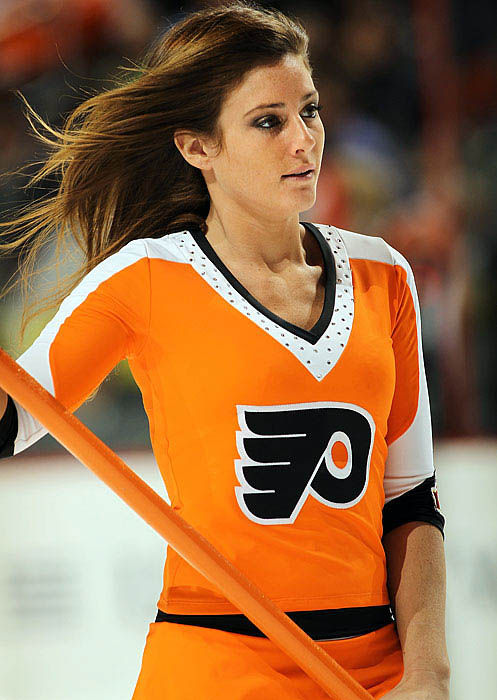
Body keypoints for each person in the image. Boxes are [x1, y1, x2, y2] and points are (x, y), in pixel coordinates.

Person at [0, 2, 450, 698]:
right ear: (196, 148)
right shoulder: (147, 277)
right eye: (268, 121)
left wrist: (427, 675)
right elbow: (13, 418)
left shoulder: (383, 274)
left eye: (309, 111)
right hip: (214, 665)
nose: (303, 140)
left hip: (369, 672)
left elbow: (410, 500)